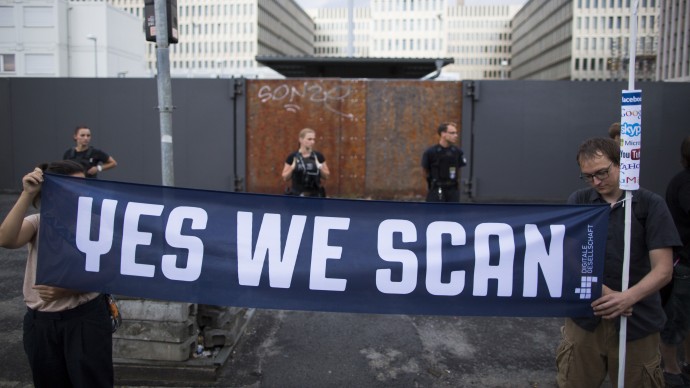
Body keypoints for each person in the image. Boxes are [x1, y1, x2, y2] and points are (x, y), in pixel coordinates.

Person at [556, 137, 680, 388]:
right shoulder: (579, 201)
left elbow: (664, 270)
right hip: (586, 318)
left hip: (637, 321)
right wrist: (602, 291)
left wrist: (627, 297)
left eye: (602, 172)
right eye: (588, 176)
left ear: (620, 164)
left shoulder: (649, 204)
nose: (597, 182)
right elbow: (567, 257)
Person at [0, 160, 114, 388]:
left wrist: (66, 288)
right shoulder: (39, 222)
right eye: (71, 185)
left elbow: (110, 272)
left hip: (86, 321)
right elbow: (6, 239)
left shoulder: (96, 225)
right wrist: (27, 194)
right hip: (40, 324)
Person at [660, 135, 690, 387]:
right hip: (683, 266)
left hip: (683, 264)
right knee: (675, 320)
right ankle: (671, 369)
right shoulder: (684, 184)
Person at [421, 122, 467, 202]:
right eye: (452, 133)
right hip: (438, 189)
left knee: (453, 213)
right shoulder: (431, 152)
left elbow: (458, 169)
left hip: (453, 190)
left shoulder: (457, 152)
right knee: (437, 211)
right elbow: (425, 171)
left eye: (456, 133)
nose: (456, 135)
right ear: (443, 134)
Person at [281, 128, 330, 197]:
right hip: (297, 195)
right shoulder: (293, 157)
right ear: (301, 140)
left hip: (315, 195)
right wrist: (292, 167)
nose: (312, 142)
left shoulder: (318, 156)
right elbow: (285, 177)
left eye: (313, 139)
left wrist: (319, 166)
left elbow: (326, 176)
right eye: (309, 139)